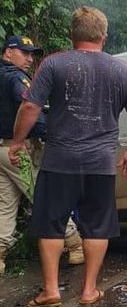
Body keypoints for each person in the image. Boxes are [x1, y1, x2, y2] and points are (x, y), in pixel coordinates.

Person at [8, 7, 127, 307]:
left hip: (60, 161)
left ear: (72, 34)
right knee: (98, 225)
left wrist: (17, 142)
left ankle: (50, 291)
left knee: (51, 224)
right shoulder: (121, 70)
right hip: (100, 164)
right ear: (104, 37)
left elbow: (30, 108)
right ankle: (88, 290)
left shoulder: (54, 64)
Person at [0, 35, 84, 275]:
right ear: (8, 53)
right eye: (24, 53)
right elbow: (30, 109)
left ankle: (0, 256)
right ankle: (75, 243)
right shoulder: (16, 79)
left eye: (32, 54)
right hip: (21, 150)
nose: (30, 59)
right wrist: (51, 132)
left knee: (5, 206)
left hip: (2, 152)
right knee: (46, 196)